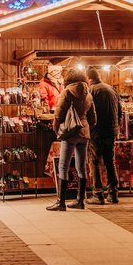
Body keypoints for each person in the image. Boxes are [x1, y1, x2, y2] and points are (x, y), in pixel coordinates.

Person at [47, 69, 97, 211]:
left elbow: (58, 113)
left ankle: (61, 202)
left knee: (63, 166)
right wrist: (86, 128)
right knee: (81, 166)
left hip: (69, 132)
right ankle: (80, 200)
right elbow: (93, 118)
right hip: (84, 133)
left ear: (69, 78)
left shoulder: (67, 92)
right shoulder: (88, 94)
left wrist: (57, 130)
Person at [85, 67, 121, 205]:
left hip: (97, 131)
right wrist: (116, 127)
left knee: (94, 162)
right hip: (111, 131)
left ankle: (98, 194)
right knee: (109, 162)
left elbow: (88, 111)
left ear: (89, 78)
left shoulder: (91, 91)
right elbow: (120, 111)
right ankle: (113, 194)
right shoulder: (112, 89)